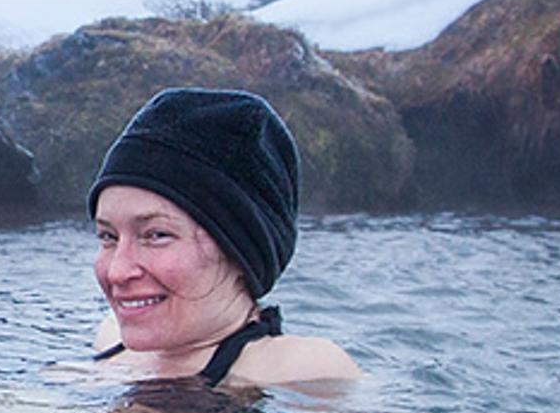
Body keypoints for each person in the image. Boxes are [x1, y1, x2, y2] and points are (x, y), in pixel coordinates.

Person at [83, 87, 360, 389]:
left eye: (156, 235)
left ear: (239, 252)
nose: (117, 271)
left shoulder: (295, 368)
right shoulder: (111, 339)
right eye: (108, 236)